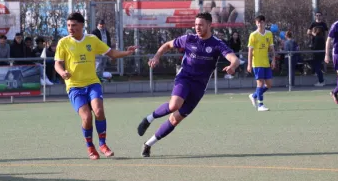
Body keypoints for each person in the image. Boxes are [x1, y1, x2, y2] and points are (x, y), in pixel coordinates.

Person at [137, 12, 240, 157]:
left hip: (199, 87)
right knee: (174, 105)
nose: (197, 27)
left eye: (201, 25)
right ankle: (149, 118)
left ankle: (148, 144)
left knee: (175, 119)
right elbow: (167, 45)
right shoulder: (189, 39)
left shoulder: (217, 44)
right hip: (184, 78)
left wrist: (233, 66)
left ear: (209, 25)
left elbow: (234, 58)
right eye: (196, 24)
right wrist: (156, 56)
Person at [54, 12, 137, 160]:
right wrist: (62, 72)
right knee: (86, 117)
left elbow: (111, 53)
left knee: (98, 111)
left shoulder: (92, 40)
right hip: (74, 86)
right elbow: (57, 63)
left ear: (82, 25)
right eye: (68, 26)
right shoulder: (63, 42)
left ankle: (103, 144)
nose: (70, 28)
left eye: (74, 25)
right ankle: (90, 147)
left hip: (92, 83)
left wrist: (127, 52)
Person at [247, 15, 275, 111]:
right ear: (256, 23)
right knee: (260, 83)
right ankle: (260, 105)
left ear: (264, 23)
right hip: (257, 63)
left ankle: (254, 95)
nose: (260, 24)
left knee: (269, 84)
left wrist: (274, 60)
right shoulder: (253, 35)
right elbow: (250, 51)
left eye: (262, 22)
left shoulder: (269, 34)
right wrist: (249, 64)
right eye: (258, 22)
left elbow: (271, 48)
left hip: (266, 63)